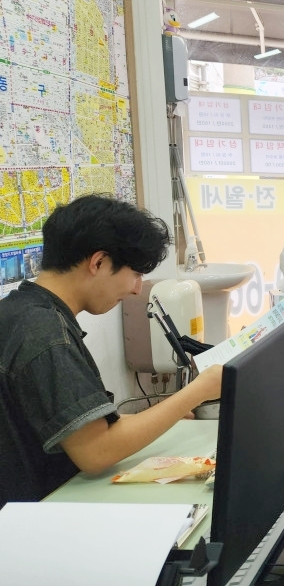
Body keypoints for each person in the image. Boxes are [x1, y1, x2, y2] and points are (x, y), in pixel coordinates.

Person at [0, 195, 223, 509]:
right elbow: (96, 451)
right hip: (38, 516)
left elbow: (90, 429)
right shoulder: (47, 335)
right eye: (135, 274)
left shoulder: (21, 311)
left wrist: (168, 410)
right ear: (99, 262)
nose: (135, 288)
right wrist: (199, 391)